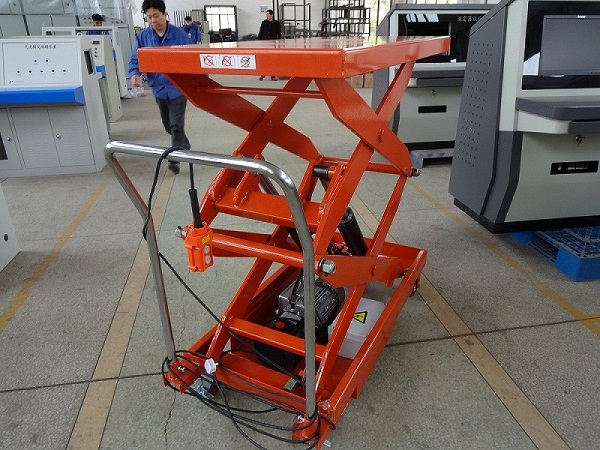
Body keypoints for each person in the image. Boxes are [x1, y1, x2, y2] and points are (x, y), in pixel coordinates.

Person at [128, 0, 192, 174]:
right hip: (158, 88)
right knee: (168, 125)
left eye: (156, 16)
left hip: (178, 88)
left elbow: (192, 59)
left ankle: (174, 159)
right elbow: (136, 58)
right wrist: (135, 74)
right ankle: (184, 144)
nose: (153, 20)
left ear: (164, 14)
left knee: (176, 124)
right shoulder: (143, 37)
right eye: (149, 17)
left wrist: (200, 85)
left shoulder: (180, 35)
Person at [257, 9, 281, 81]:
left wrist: (279, 43)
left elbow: (279, 33)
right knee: (264, 60)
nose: (266, 16)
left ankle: (272, 76)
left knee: (272, 60)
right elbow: (261, 32)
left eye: (268, 14)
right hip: (265, 43)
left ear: (271, 15)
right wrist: (259, 41)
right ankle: (263, 74)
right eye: (266, 14)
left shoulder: (276, 23)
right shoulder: (264, 23)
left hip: (273, 43)